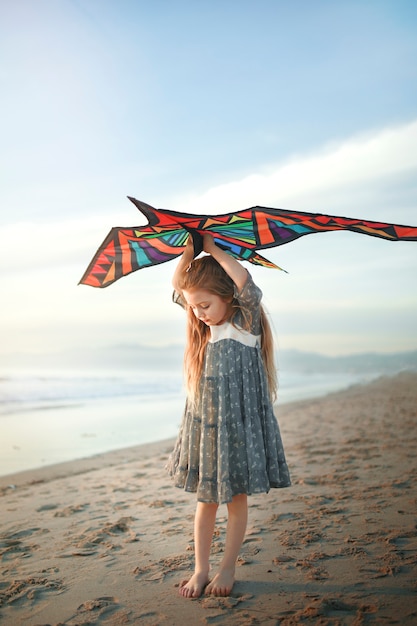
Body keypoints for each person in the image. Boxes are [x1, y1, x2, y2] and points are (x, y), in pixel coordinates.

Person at [167, 233, 291, 599]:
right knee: (205, 501)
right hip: (205, 427)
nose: (198, 313)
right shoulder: (205, 328)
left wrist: (215, 249)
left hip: (241, 429)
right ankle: (201, 568)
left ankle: (227, 568)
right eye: (193, 308)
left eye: (204, 305)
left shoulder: (245, 320)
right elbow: (178, 286)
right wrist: (191, 250)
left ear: (226, 298)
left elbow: (246, 284)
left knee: (236, 500)